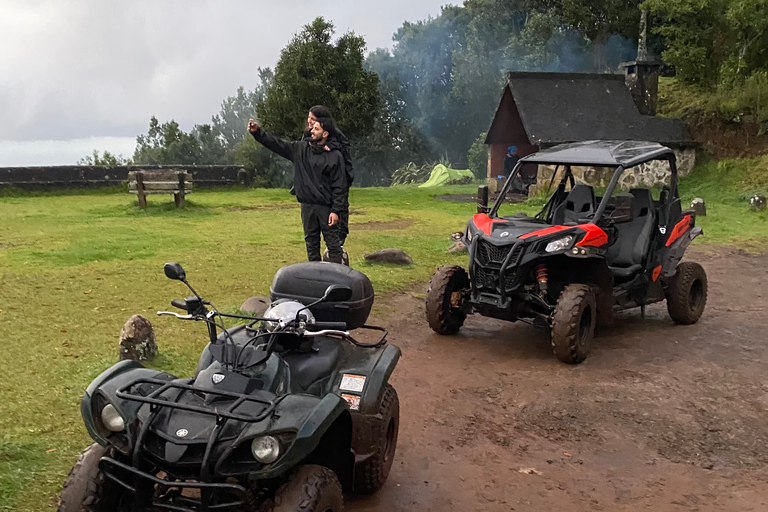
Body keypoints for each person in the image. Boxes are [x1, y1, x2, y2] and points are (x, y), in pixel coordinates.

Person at [247, 117, 346, 264]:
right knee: (311, 244)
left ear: (325, 134)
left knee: (333, 245)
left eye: (316, 128)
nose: (312, 130)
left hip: (326, 207)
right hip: (307, 206)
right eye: (312, 128)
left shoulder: (334, 156)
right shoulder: (300, 149)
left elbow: (340, 186)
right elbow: (277, 144)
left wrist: (336, 210)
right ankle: (315, 278)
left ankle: (339, 278)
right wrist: (258, 133)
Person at [303, 106, 353, 251]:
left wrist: (330, 146)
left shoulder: (336, 136)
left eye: (313, 119)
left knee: (337, 229)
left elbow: (344, 156)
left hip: (336, 185)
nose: (309, 122)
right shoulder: (309, 135)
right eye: (309, 118)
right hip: (315, 192)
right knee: (312, 238)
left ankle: (337, 255)